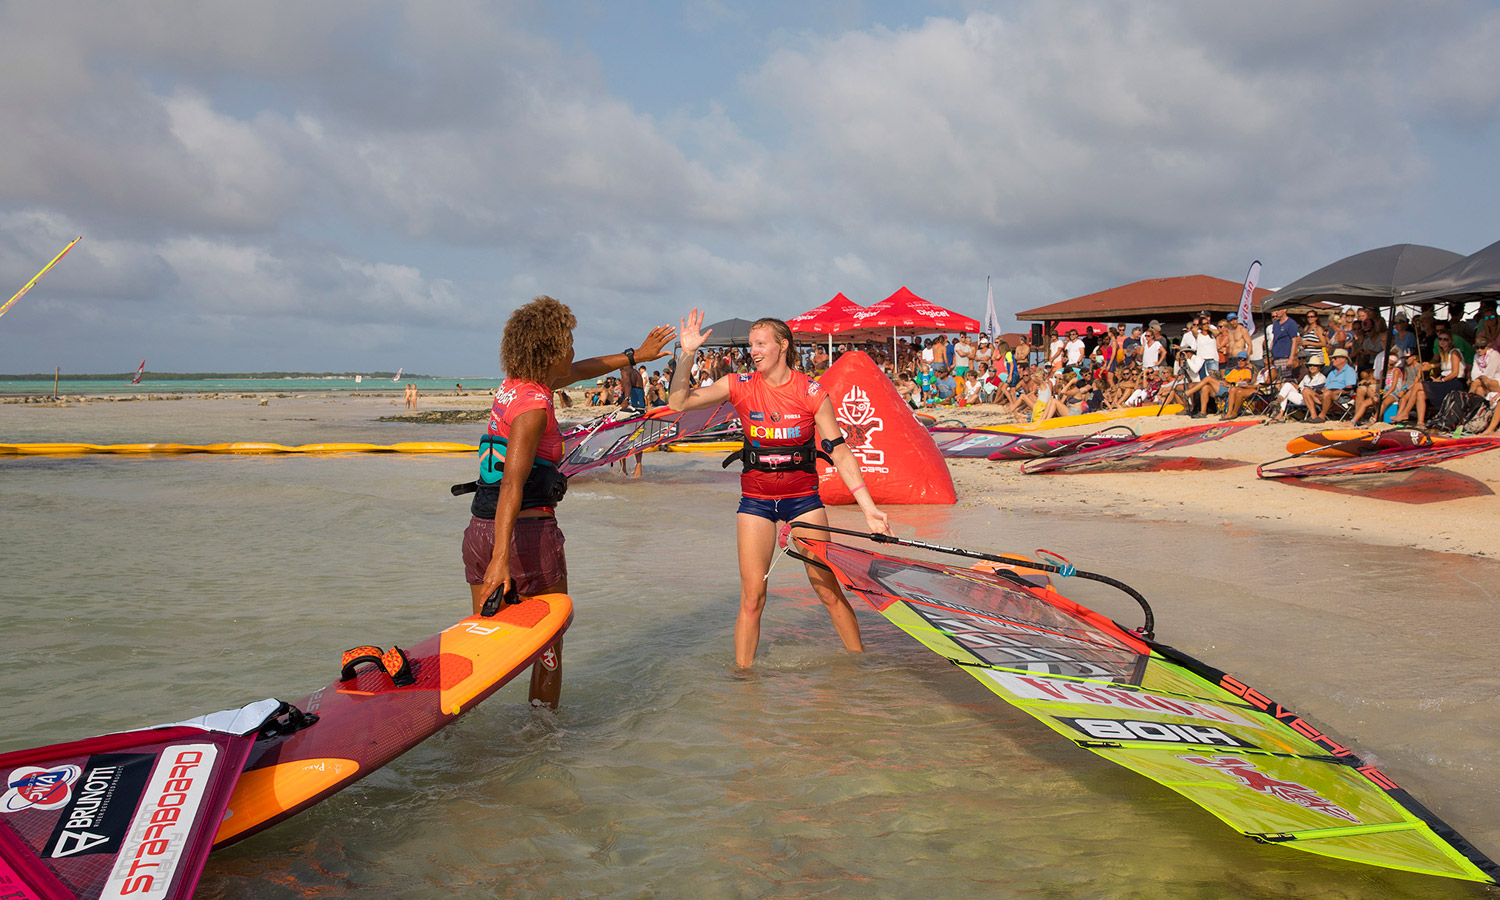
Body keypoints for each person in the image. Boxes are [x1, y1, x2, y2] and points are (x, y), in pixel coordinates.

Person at [462, 297, 676, 709]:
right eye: (569, 342)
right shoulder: (534, 407)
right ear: (550, 350)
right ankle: (543, 740)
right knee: (548, 649)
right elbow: (512, 482)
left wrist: (634, 355)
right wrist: (502, 558)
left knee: (485, 650)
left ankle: (467, 741)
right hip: (524, 537)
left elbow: (580, 371)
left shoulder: (515, 385)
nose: (574, 350)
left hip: (479, 531)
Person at [668, 310, 891, 668]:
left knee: (827, 590)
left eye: (761, 344)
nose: (753, 351)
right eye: (751, 345)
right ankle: (744, 681)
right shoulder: (737, 384)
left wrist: (868, 508)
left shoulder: (811, 392)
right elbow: (678, 403)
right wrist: (688, 353)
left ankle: (860, 671)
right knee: (753, 598)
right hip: (756, 502)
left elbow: (841, 453)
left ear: (782, 345)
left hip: (803, 501)